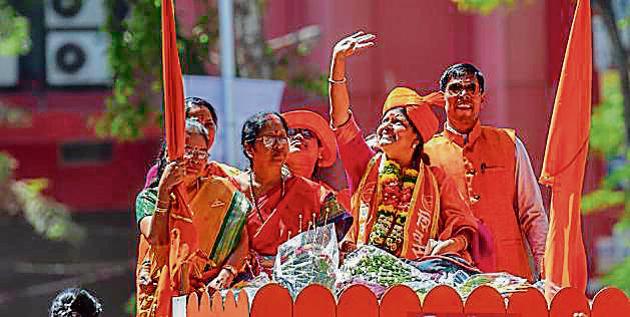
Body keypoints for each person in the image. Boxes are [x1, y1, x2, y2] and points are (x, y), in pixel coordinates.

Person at [329, 31, 479, 262]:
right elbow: (341, 120)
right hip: (363, 274)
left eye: (397, 122)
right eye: (384, 121)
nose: (386, 127)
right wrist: (338, 63)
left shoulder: (436, 179)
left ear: (416, 138)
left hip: (417, 277)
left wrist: (449, 244)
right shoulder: (365, 165)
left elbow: (464, 225)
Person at [424, 63, 548, 280]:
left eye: (471, 89)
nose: (463, 95)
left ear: (482, 99)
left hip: (510, 274)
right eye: (455, 89)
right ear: (442, 98)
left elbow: (533, 213)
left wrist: (547, 270)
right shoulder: (425, 154)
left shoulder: (510, 144)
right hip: (453, 277)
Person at [135, 119, 250, 316]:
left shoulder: (223, 192)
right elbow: (156, 238)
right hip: (164, 293)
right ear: (168, 154)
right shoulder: (149, 197)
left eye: (202, 152)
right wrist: (164, 191)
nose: (195, 158)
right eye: (188, 150)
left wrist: (226, 274)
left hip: (212, 295)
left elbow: (242, 240)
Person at [235, 112, 351, 274]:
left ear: (320, 151)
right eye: (270, 139)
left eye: (283, 138)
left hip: (297, 285)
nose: (279, 145)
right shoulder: (230, 189)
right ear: (249, 148)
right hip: (235, 287)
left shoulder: (318, 195)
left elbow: (329, 253)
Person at [143, 96, 240, 189]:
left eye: (208, 124)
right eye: (196, 123)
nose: (203, 130)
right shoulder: (161, 173)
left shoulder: (226, 175)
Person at [282, 109, 352, 211]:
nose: (298, 136)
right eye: (290, 132)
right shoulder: (259, 185)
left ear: (320, 151)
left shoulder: (330, 199)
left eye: (307, 133)